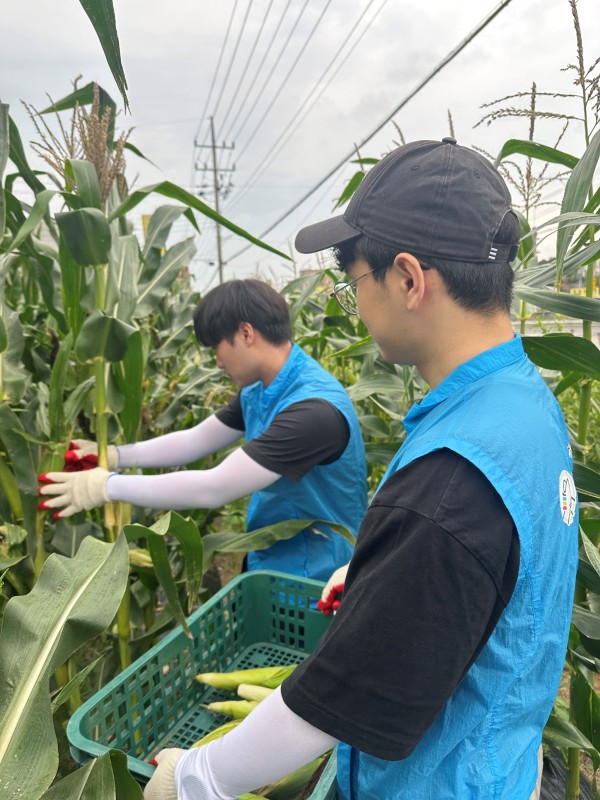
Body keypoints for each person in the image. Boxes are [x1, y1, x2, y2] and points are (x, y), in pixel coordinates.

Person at [141, 137, 579, 800]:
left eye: (354, 284)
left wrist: (197, 777)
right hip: (499, 762)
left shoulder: (450, 483)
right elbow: (492, 565)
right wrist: (389, 571)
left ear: (408, 279)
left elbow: (341, 696)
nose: (358, 306)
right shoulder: (523, 400)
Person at [38, 279, 367, 582]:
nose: (218, 363)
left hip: (316, 576)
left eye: (216, 348)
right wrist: (115, 456)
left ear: (246, 334)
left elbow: (214, 488)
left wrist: (106, 486)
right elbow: (195, 441)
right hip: (273, 557)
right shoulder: (262, 389)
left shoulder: (313, 412)